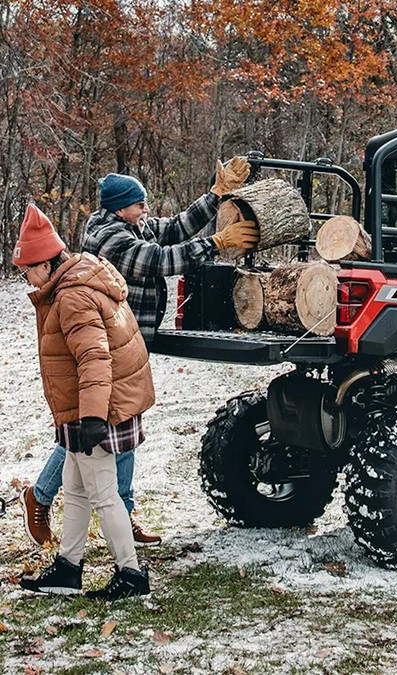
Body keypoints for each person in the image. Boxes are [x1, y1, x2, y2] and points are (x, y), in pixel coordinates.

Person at [19, 157, 258, 548]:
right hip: (104, 347)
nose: (146, 209)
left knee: (123, 428)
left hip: (130, 343)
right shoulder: (109, 237)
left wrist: (216, 196)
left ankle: (123, 513)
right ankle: (41, 496)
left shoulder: (132, 223)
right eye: (139, 203)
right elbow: (158, 261)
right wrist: (216, 243)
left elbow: (175, 227)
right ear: (118, 207)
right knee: (87, 429)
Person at [15, 204, 155, 599]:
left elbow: (95, 358)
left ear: (46, 263)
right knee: (74, 488)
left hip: (96, 409)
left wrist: (93, 418)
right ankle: (68, 567)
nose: (26, 277)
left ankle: (131, 574)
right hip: (85, 406)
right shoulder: (75, 282)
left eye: (27, 268)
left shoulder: (73, 297)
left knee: (103, 493)